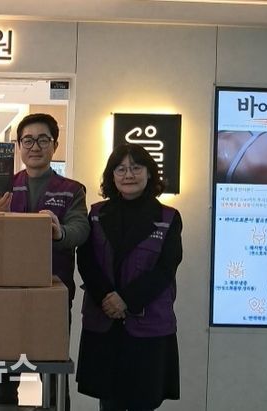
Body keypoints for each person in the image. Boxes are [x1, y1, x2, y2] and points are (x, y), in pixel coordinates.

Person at [0, 113, 90, 411]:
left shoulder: (71, 189)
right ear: (19, 146)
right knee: (4, 377)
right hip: (7, 293)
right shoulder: (5, 186)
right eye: (28, 140)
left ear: (55, 145)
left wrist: (59, 232)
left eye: (43, 140)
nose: (35, 147)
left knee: (54, 376)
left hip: (53, 293)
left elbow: (80, 229)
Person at [75, 143, 183, 411]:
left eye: (136, 168)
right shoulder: (97, 213)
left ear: (149, 173)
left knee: (144, 401)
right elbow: (86, 259)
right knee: (108, 401)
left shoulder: (168, 217)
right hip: (105, 322)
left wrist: (126, 299)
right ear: (112, 176)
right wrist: (107, 298)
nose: (128, 175)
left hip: (147, 326)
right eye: (120, 169)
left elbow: (166, 268)